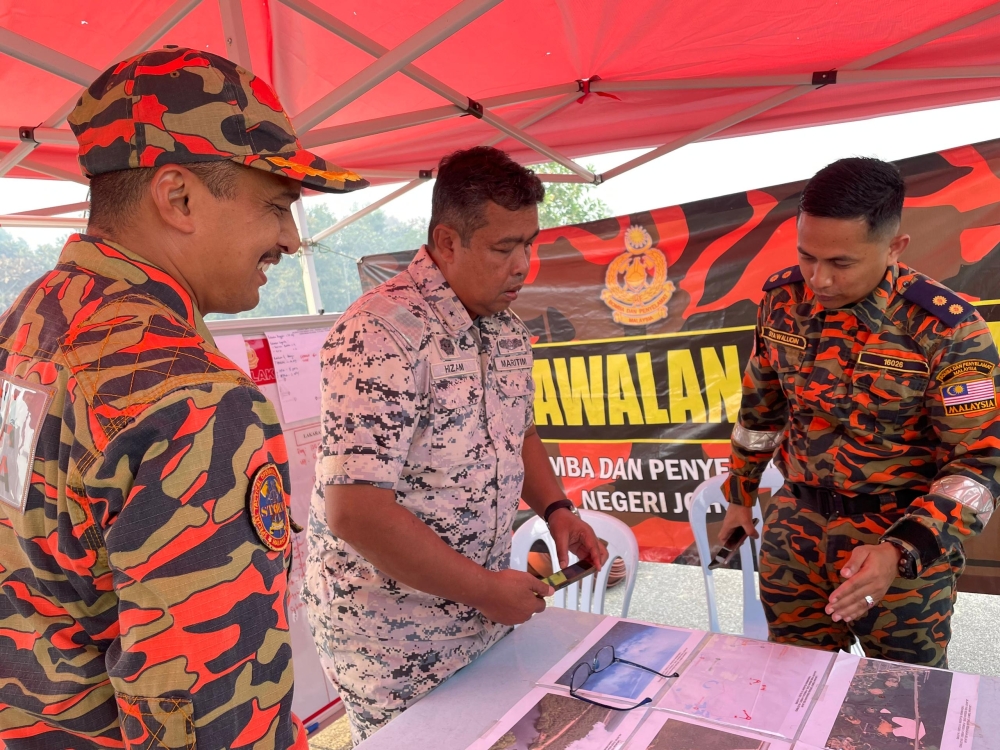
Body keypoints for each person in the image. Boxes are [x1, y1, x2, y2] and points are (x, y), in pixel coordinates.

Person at [0, 47, 367, 749]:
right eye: (277, 206)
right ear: (178, 198)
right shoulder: (192, 399)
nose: (291, 240)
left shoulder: (28, 324)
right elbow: (213, 718)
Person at [303, 146, 608, 743]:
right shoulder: (380, 333)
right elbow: (355, 511)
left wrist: (557, 508)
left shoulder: (507, 330)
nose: (523, 266)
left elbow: (519, 433)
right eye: (504, 248)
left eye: (530, 244)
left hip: (481, 615)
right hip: (391, 638)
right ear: (447, 242)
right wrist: (485, 590)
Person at [720, 156, 1000, 667]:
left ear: (895, 247)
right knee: (791, 684)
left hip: (897, 550)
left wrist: (902, 550)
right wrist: (741, 493)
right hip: (795, 537)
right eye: (807, 256)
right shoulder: (781, 303)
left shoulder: (948, 330)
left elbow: (980, 465)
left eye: (841, 263)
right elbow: (760, 411)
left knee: (903, 697)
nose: (819, 279)